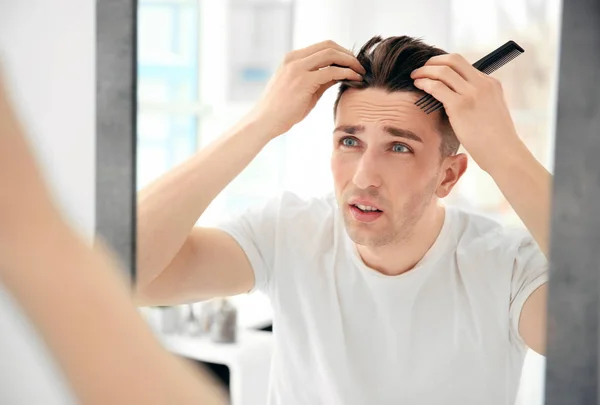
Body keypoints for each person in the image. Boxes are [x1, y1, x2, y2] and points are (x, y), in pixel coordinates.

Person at [137, 35, 551, 405]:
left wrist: (504, 152)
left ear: (448, 175)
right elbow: (125, 272)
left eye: (399, 148)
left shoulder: (509, 267)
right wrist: (260, 122)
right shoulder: (288, 231)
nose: (363, 177)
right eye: (349, 141)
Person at [0, 70, 228, 403]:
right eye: (336, 140)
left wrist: (29, 228)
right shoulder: (291, 227)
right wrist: (267, 119)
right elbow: (131, 264)